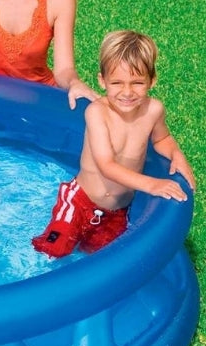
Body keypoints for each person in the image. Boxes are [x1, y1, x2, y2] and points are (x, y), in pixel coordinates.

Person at [31, 30, 195, 258]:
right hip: (78, 202)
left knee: (102, 260)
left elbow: (162, 139)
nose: (127, 92)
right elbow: (106, 165)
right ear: (102, 80)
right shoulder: (97, 113)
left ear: (152, 80)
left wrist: (177, 154)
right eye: (117, 83)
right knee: (51, 251)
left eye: (137, 83)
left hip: (117, 211)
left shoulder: (153, 110)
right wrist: (152, 185)